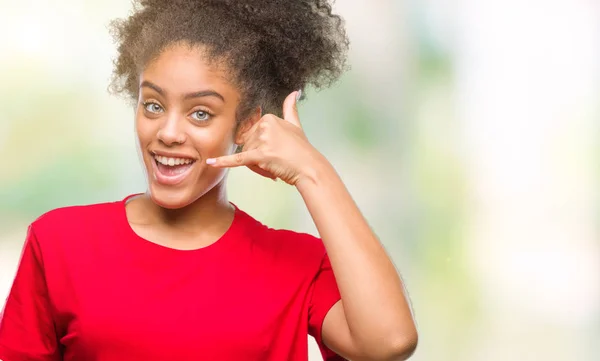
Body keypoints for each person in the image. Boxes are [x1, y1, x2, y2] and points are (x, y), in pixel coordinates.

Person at [0, 1, 418, 360]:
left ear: (247, 124)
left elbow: (389, 342)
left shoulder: (297, 265)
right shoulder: (59, 243)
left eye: (201, 113)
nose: (167, 132)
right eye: (152, 105)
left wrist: (312, 170)